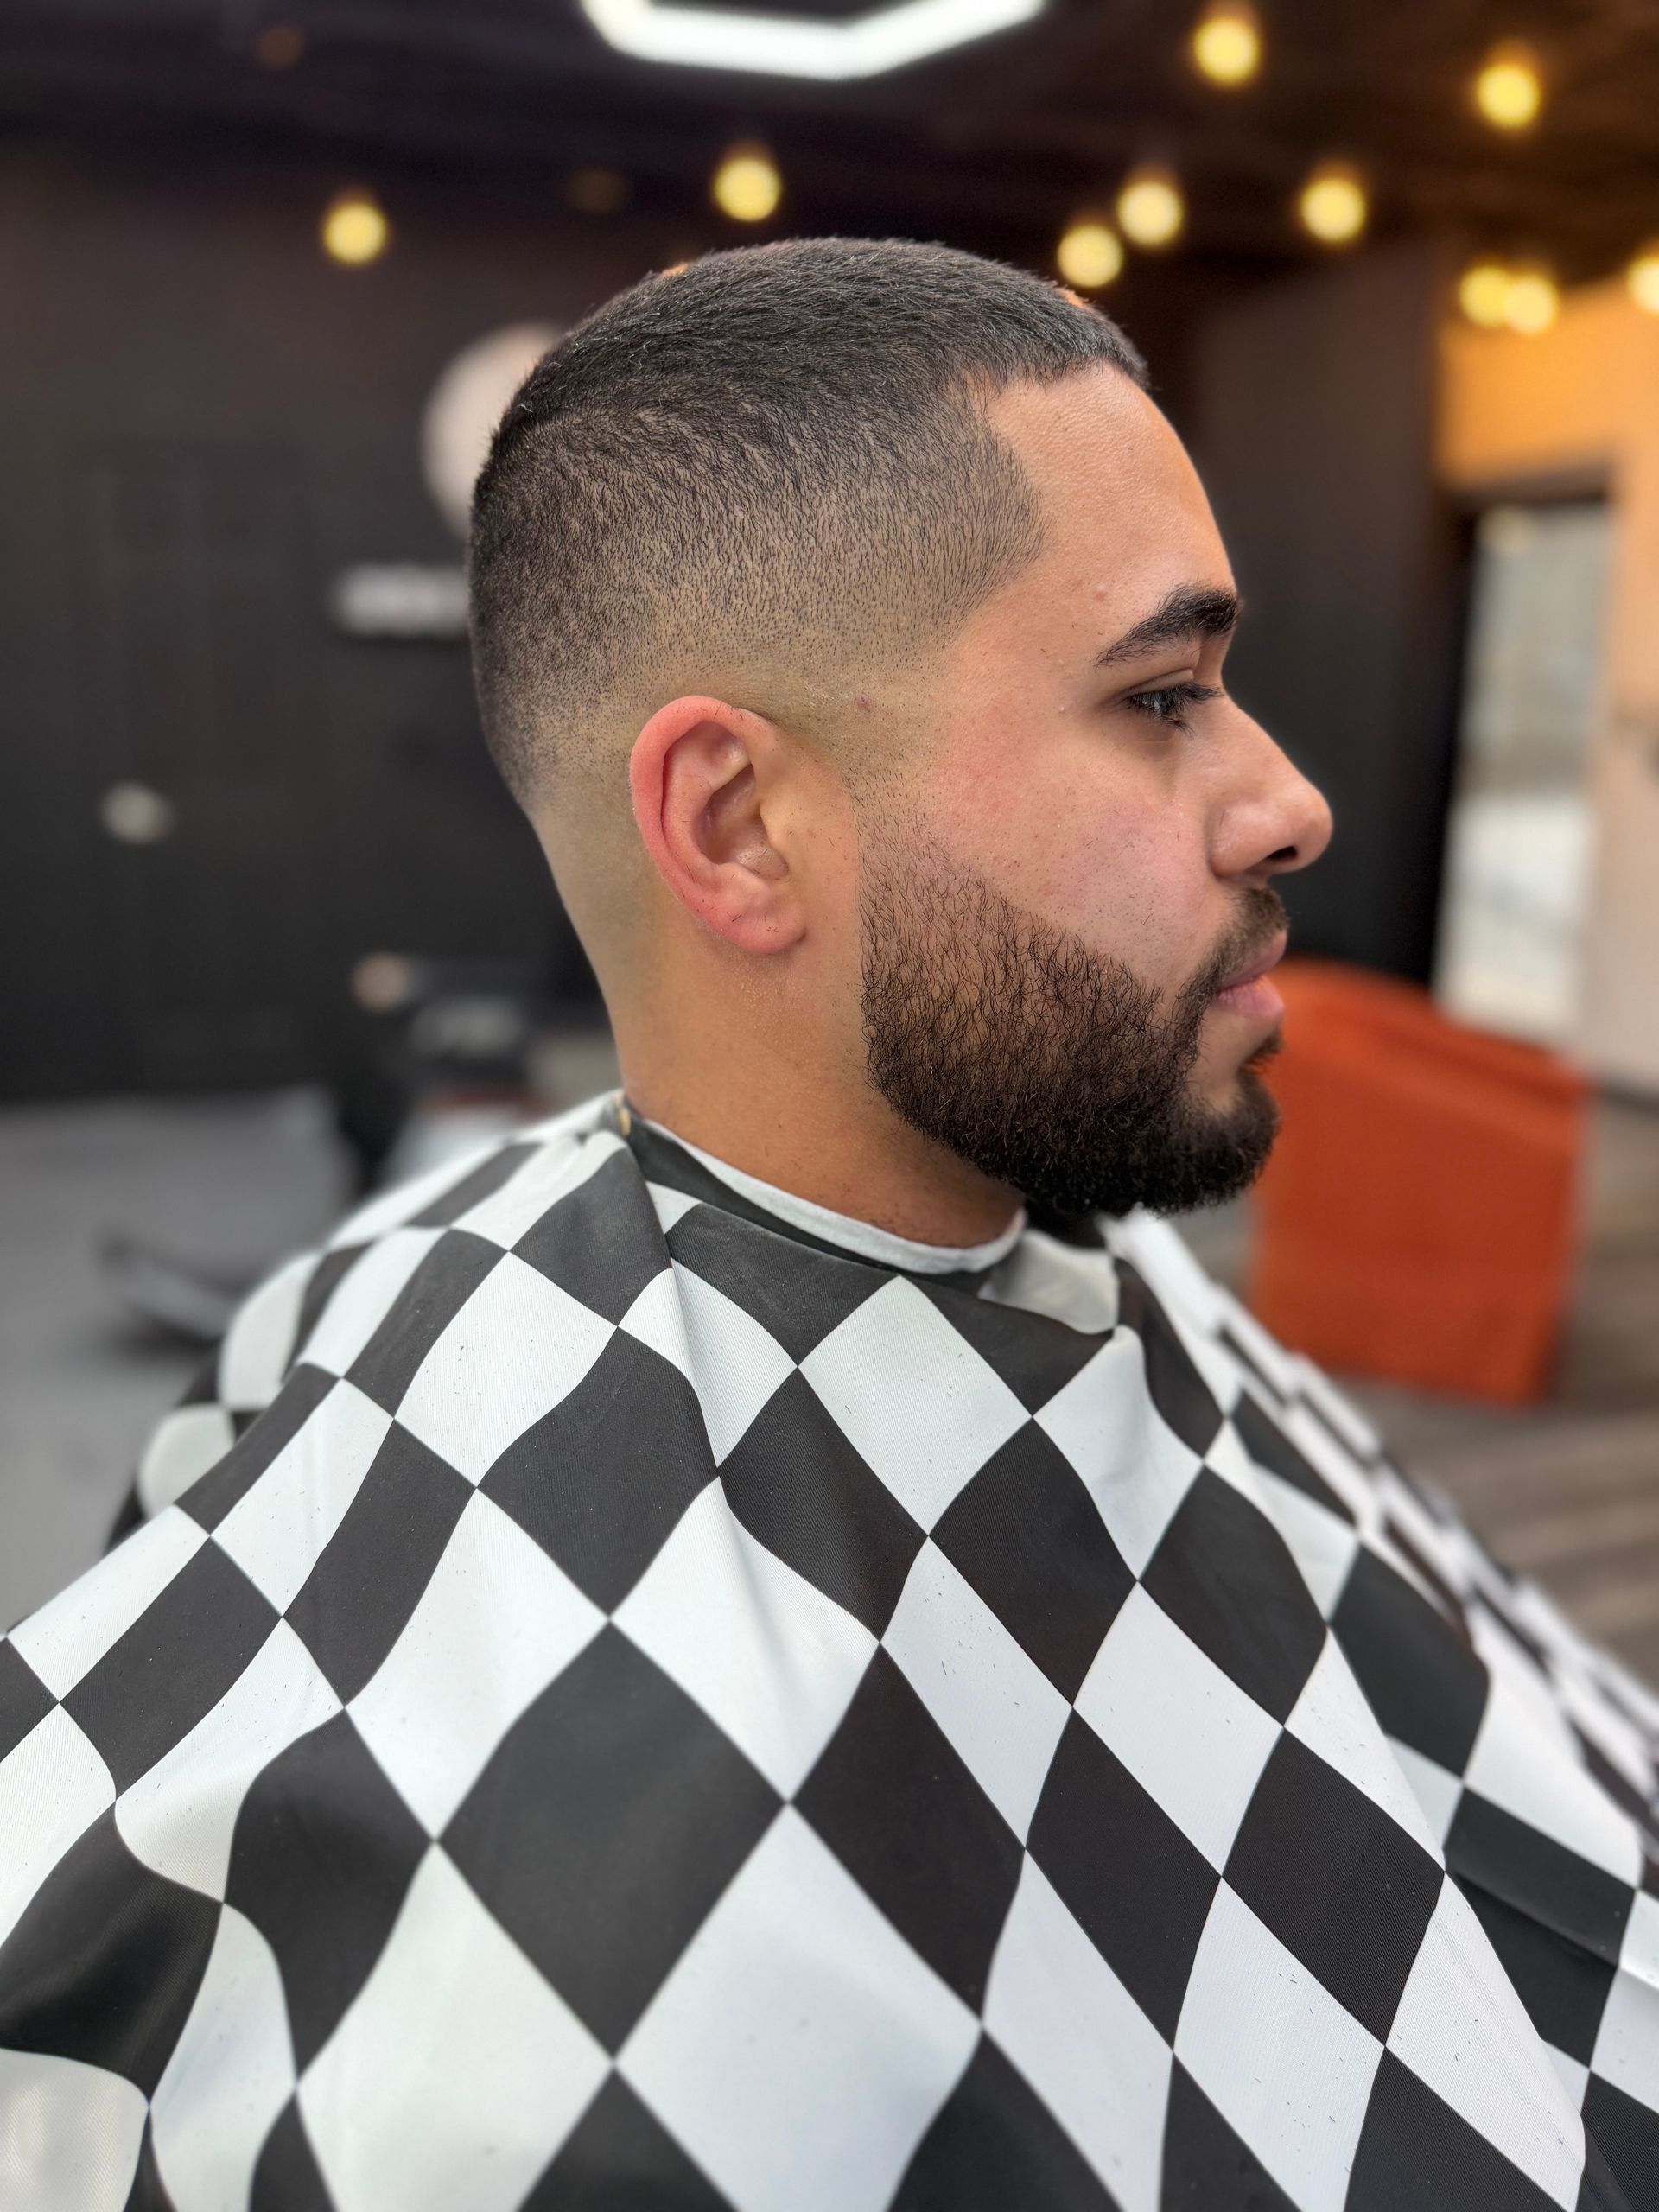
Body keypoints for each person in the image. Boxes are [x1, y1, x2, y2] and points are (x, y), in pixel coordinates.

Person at [1, 239, 1655, 2212]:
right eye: (1163, 695)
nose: (1287, 797)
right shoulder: (539, 2029)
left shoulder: (1090, 1263)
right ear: (735, 824)